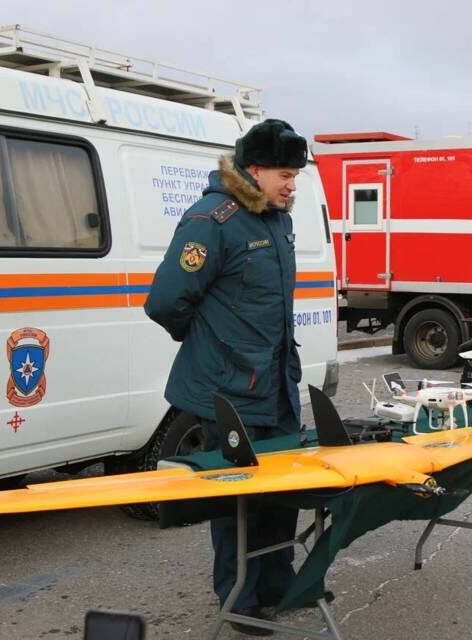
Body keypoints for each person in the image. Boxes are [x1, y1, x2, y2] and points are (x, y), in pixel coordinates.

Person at [145, 119, 309, 636]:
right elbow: (167, 300)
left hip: (277, 383)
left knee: (284, 489)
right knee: (239, 499)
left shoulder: (277, 221)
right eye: (285, 173)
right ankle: (239, 599)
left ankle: (278, 587)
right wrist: (213, 347)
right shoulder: (212, 221)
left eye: (296, 175)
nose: (292, 184)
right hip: (232, 391)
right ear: (254, 169)